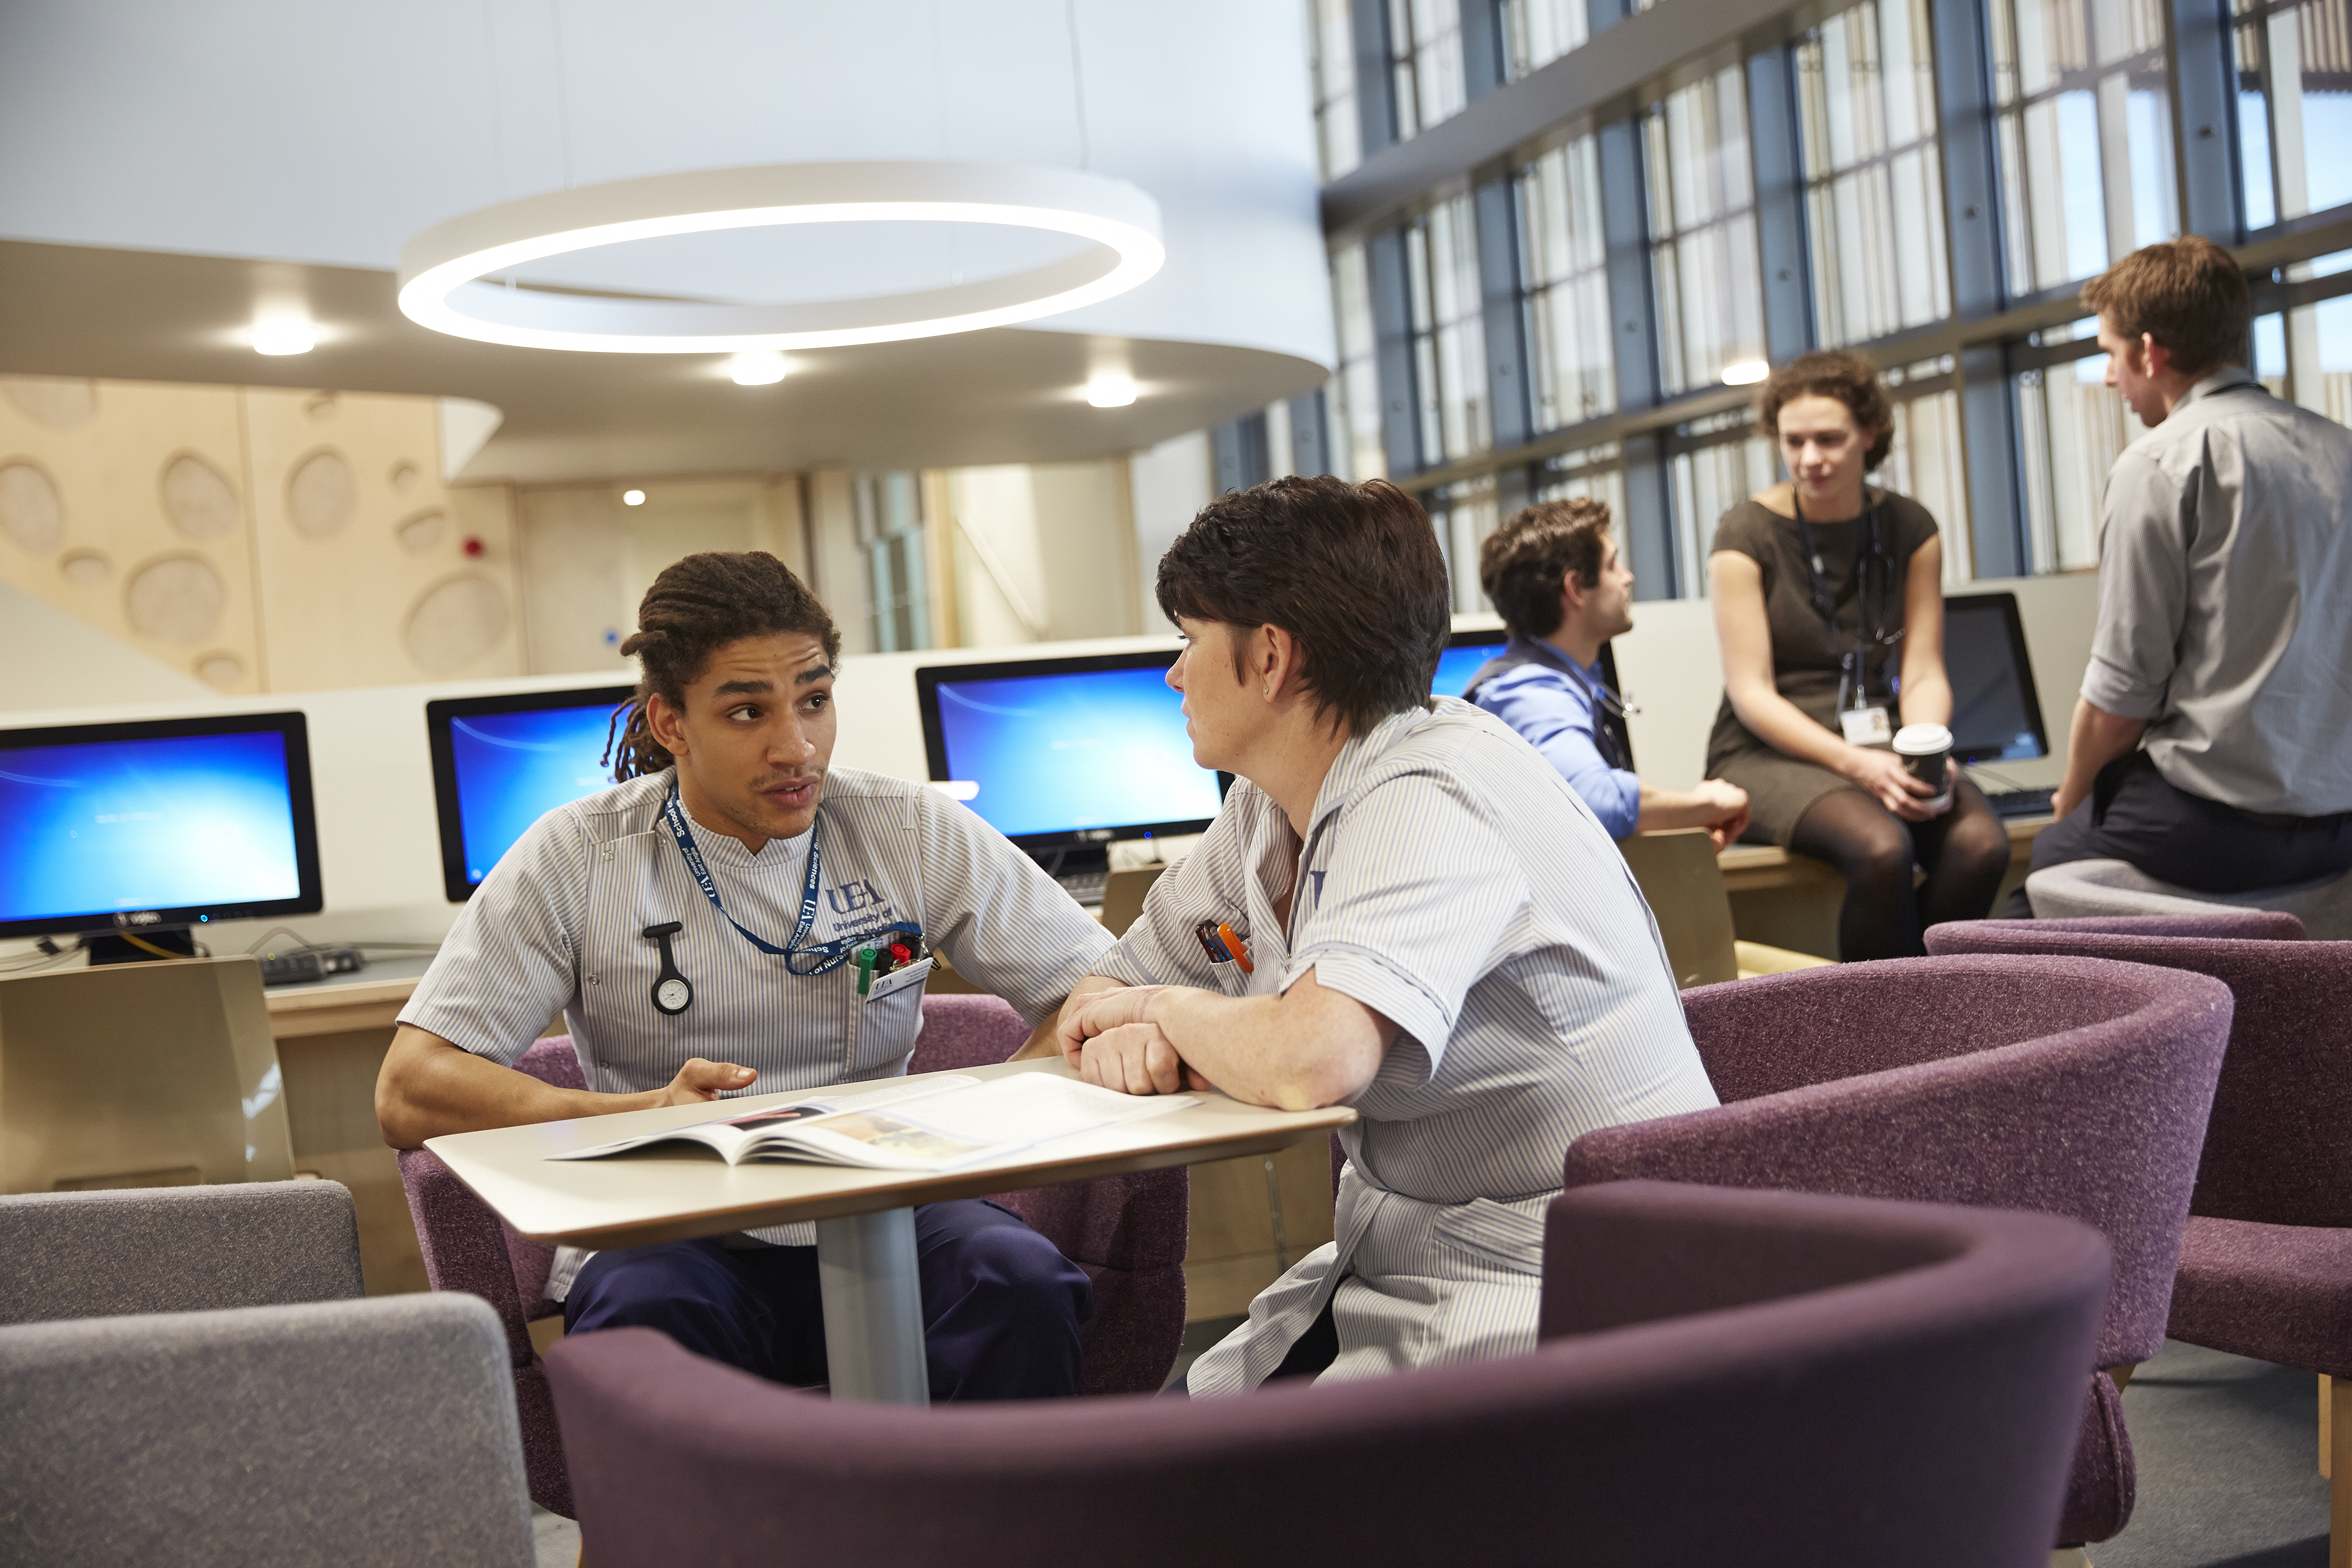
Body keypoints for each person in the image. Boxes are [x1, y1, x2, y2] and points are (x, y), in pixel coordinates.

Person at [375, 551, 1106, 1400]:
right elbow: (410, 1090)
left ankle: (986, 1535)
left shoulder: (907, 826)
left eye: (814, 700)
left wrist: (989, 1108)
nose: (796, 746)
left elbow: (1098, 986)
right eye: (747, 710)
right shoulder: (579, 856)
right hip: (675, 1223)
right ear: (671, 722)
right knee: (644, 1326)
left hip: (889, 1205)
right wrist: (638, 1112)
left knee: (1021, 1283)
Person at [1043, 475, 1718, 1392]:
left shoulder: (1429, 791)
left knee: (1201, 1501)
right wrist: (1140, 1019)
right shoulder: (1267, 803)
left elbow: (1309, 1060)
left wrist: (1164, 1010)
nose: (1173, 674)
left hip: (1571, 1276)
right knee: (1184, 1451)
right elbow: (1096, 993)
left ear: (1271, 655)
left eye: (1188, 641)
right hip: (1410, 1246)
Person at [2020, 234, 2352, 901]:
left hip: (2220, 828)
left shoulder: (2161, 461)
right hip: (2338, 822)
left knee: (2041, 872)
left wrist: (2069, 801)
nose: (2110, 378)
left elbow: (2119, 704)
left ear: (2149, 351)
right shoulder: (2340, 448)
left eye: (2111, 356)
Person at [1705, 350, 2011, 961]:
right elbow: (1752, 693)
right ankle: (1879, 1031)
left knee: (1980, 845)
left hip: (1878, 740)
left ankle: (1938, 1010)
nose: (1808, 459)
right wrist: (1860, 766)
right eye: (1793, 442)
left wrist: (1926, 746)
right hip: (1765, 750)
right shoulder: (1745, 534)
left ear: (1869, 436)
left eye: (1829, 439)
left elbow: (1922, 668)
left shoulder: (1909, 527)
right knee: (1881, 848)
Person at [1467, 497, 1751, 845]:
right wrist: (1705, 804)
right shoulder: (1530, 693)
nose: (1628, 577)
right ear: (1575, 588)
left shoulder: (1555, 680)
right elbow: (1595, 799)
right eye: (1613, 565)